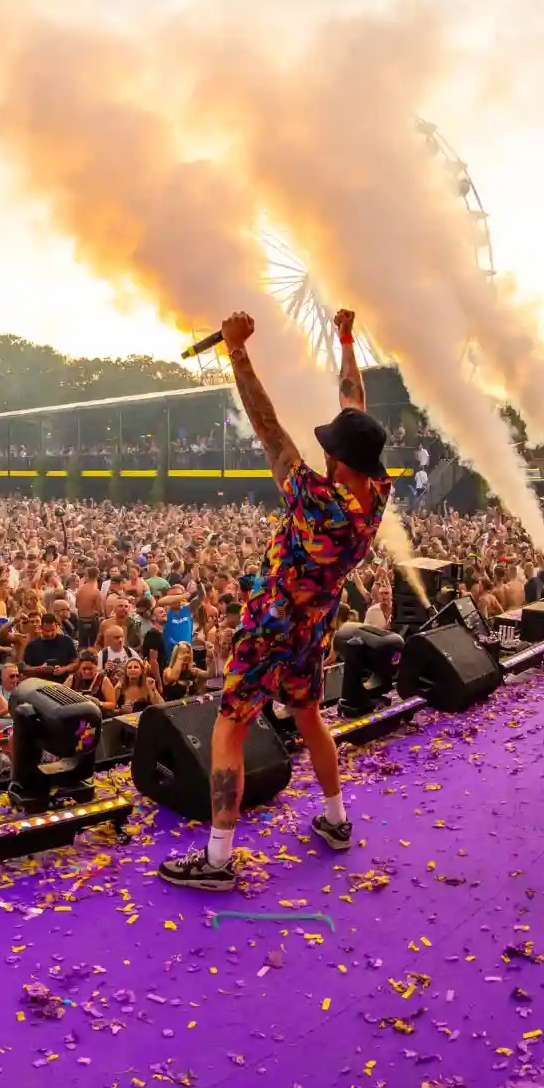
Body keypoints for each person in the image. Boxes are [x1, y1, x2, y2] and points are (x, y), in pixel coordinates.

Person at [160, 309, 390, 892]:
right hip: (314, 624)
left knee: (230, 725)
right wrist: (344, 339)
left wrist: (236, 349)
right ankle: (336, 820)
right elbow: (353, 402)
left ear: (338, 462)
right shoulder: (375, 495)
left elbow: (266, 424)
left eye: (330, 450)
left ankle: (216, 858)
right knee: (309, 714)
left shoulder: (317, 501)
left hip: (269, 622)